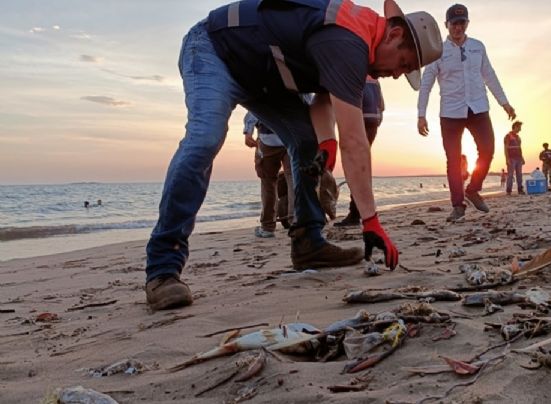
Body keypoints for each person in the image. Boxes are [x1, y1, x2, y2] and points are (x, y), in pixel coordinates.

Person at [144, 0, 443, 310]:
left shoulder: (357, 39)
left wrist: (324, 143)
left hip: (263, 79)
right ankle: (163, 269)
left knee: (307, 141)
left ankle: (308, 243)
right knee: (204, 139)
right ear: (394, 34)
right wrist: (371, 222)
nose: (397, 75)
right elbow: (354, 143)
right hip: (214, 50)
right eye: (404, 64)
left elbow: (323, 96)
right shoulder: (349, 40)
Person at [416, 3, 516, 222]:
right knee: (453, 160)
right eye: (454, 23)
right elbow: (426, 84)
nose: (458, 28)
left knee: (487, 150)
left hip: (478, 107)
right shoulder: (437, 52)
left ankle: (473, 189)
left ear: (467, 24)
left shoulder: (478, 47)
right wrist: (421, 114)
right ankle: (458, 205)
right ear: (447, 25)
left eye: (462, 23)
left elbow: (489, 75)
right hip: (450, 112)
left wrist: (504, 102)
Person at [335, 77, 385, 227]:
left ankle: (357, 213)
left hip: (360, 117)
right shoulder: (374, 76)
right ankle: (363, 211)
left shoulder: (353, 70)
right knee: (362, 164)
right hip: (373, 119)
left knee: (355, 165)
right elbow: (381, 104)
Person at [243, 111, 294, 238]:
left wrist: (248, 131)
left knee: (268, 183)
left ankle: (267, 227)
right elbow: (308, 101)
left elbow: (254, 107)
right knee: (294, 180)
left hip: (268, 140)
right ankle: (297, 223)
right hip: (291, 137)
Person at [504, 121, 524, 195]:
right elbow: (505, 148)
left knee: (519, 174)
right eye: (519, 127)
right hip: (511, 158)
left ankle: (520, 189)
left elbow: (520, 148)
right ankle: (508, 191)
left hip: (518, 158)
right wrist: (507, 159)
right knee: (510, 175)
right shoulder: (508, 136)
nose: (520, 129)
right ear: (515, 127)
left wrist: (522, 158)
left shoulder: (518, 137)